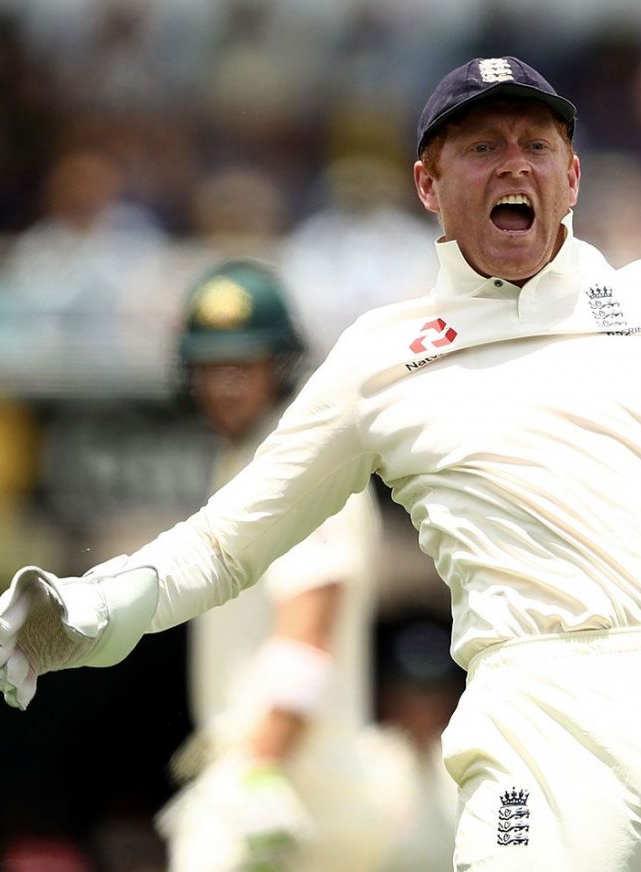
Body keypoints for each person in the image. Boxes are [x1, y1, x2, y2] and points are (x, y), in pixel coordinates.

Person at [0, 57, 641, 871]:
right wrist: (96, 605)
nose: (511, 162)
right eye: (479, 148)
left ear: (573, 175)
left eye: (534, 142)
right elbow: (225, 541)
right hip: (537, 708)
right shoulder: (382, 357)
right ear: (429, 184)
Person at [152, 259, 422, 871]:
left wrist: (261, 771)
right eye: (210, 367)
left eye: (241, 366)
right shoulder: (244, 461)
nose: (224, 385)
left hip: (294, 786)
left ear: (278, 366)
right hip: (285, 779)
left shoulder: (300, 465)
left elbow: (310, 626)